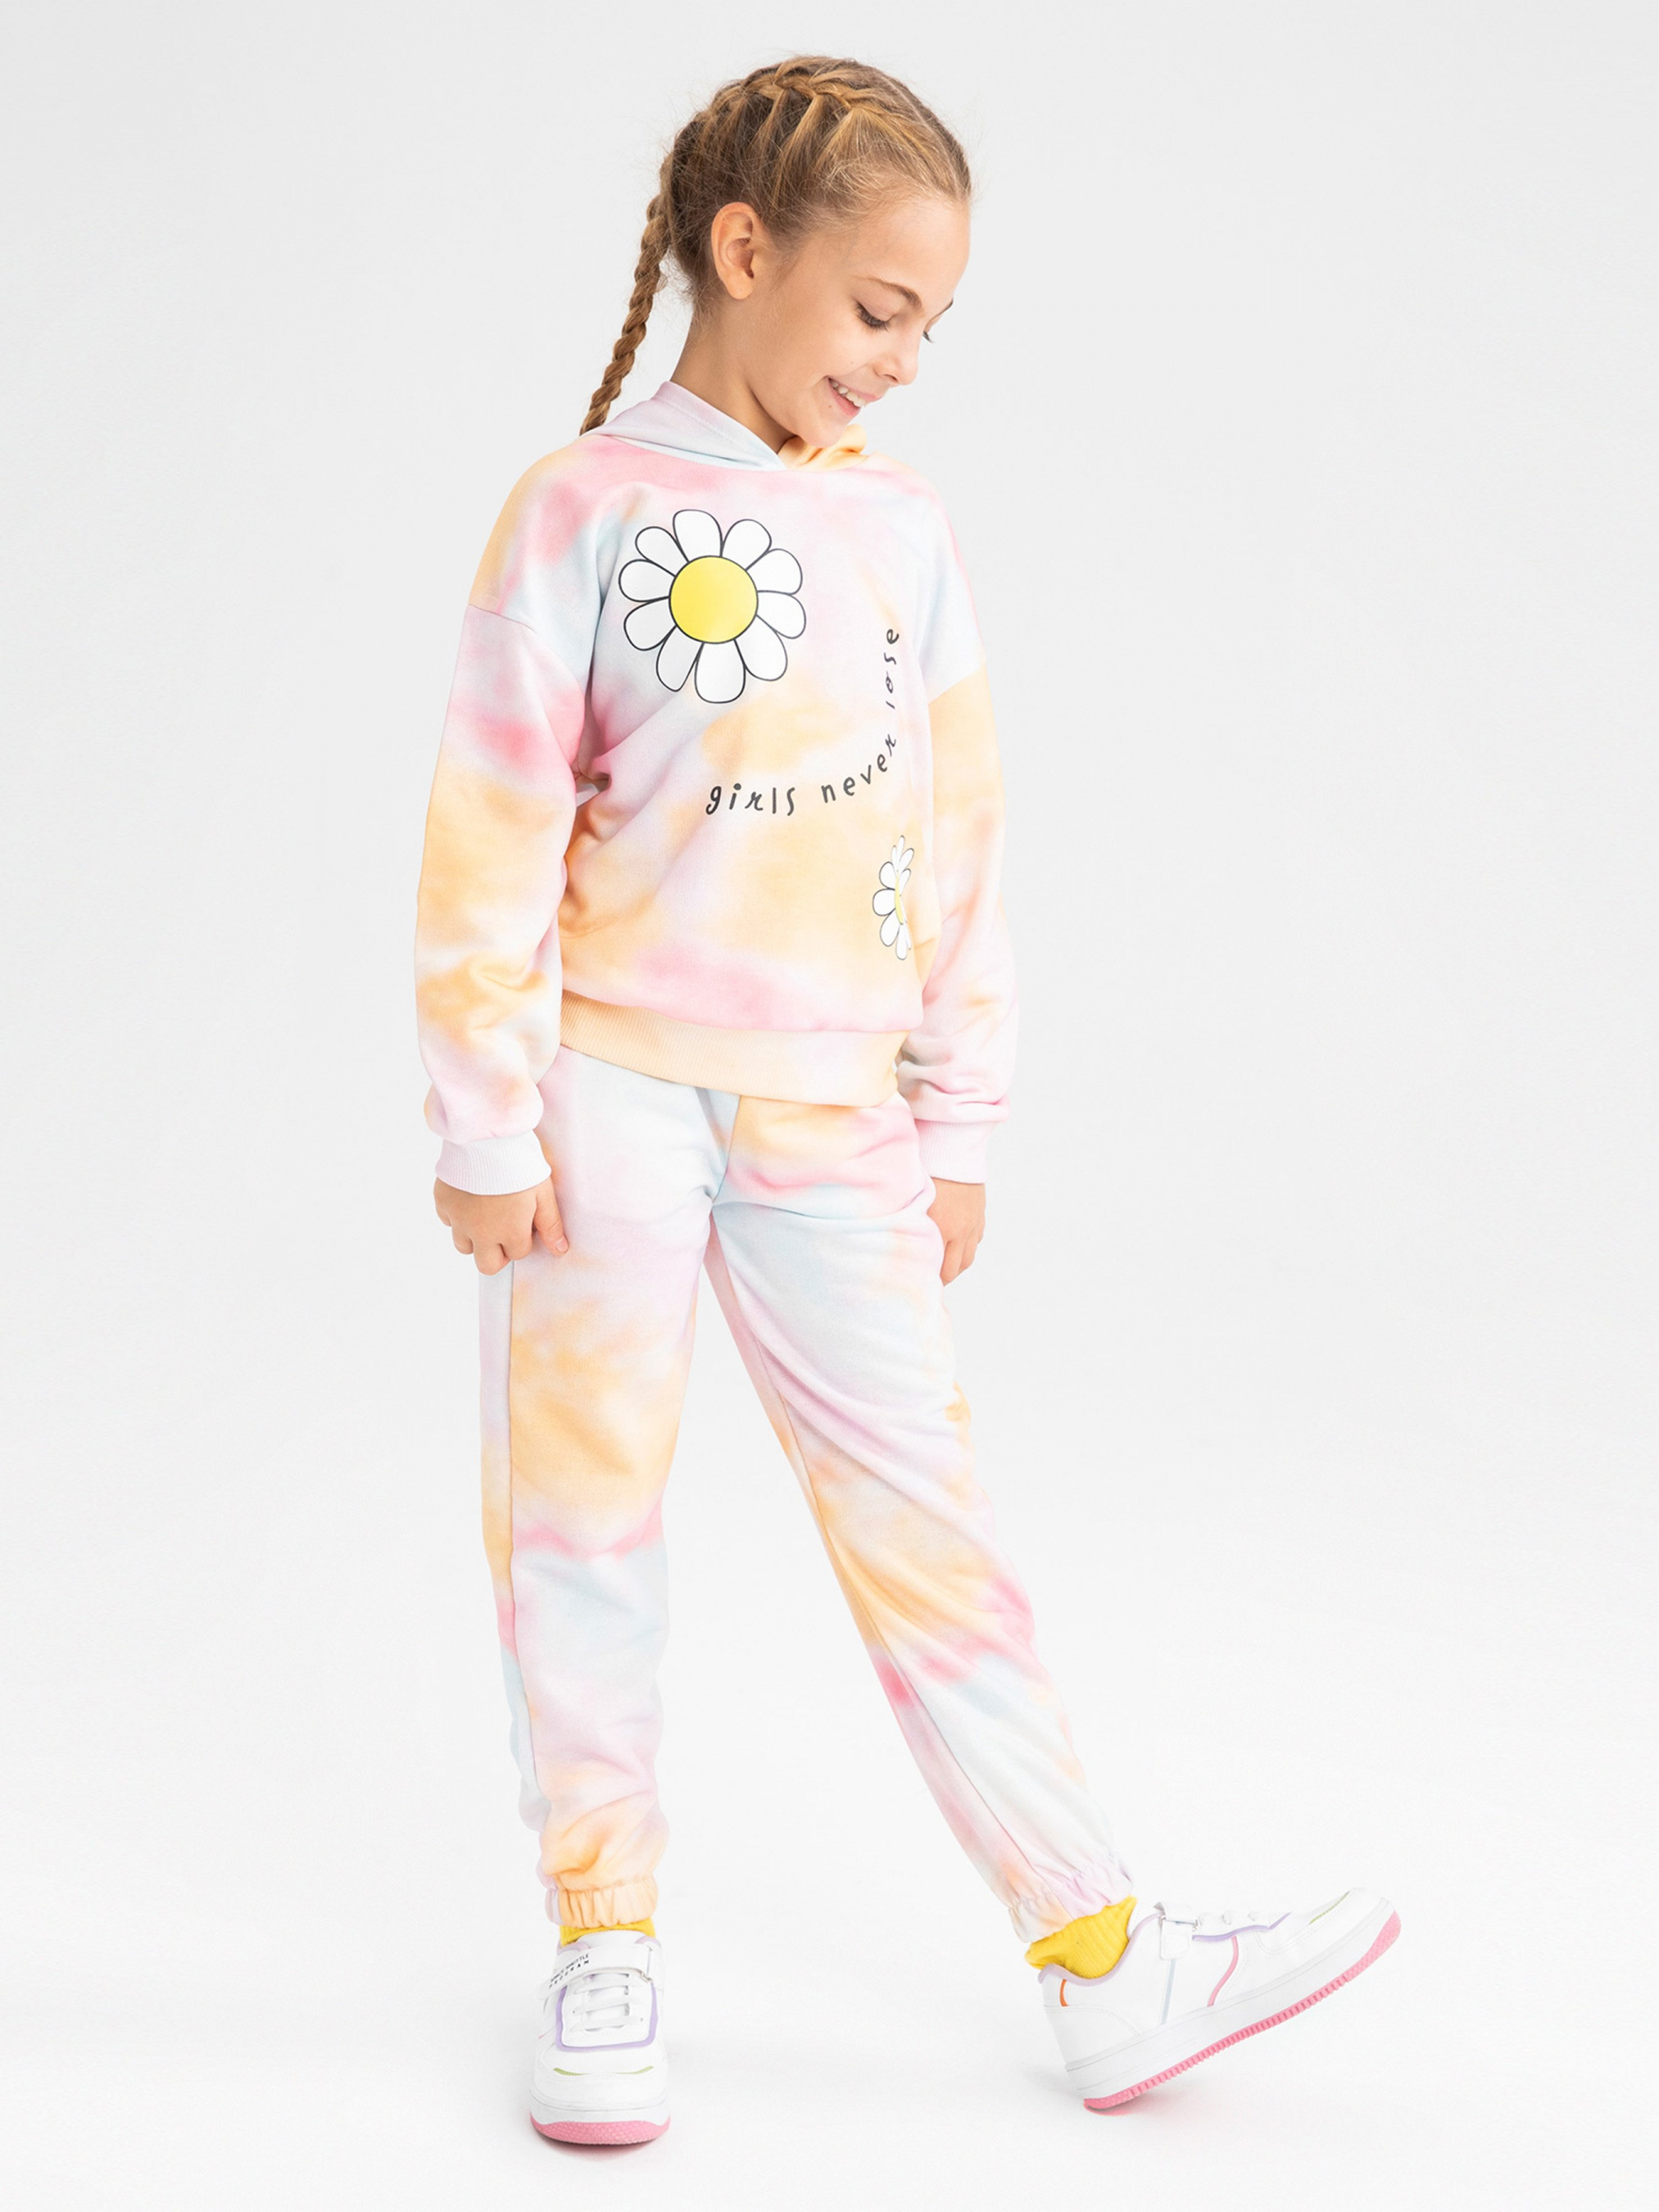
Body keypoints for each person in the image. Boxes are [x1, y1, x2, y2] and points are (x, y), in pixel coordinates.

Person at [413, 54, 1397, 2146]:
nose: (901, 361)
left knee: (929, 1533)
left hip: (830, 1122)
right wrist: (483, 1122)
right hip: (601, 1104)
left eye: (932, 325)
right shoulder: (578, 510)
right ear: (740, 251)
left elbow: (955, 836)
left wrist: (960, 1119)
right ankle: (602, 1940)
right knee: (581, 1528)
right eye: (878, 309)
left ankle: (1100, 1958)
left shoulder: (900, 529)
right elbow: (487, 831)